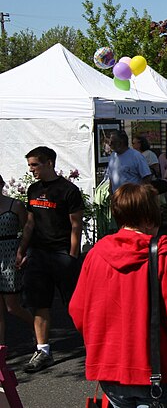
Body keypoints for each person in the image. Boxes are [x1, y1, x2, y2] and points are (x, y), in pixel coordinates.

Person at [69, 184, 167, 407]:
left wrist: (104, 342)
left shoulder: (96, 254)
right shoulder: (163, 255)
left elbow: (78, 311)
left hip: (111, 371)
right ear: (151, 215)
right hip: (160, 371)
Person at [15, 146, 83, 373]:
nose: (31, 169)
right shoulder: (33, 190)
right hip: (38, 255)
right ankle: (43, 350)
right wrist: (22, 250)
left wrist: (72, 256)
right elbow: (30, 223)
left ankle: (94, 344)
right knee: (38, 304)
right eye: (30, 165)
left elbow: (76, 225)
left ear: (49, 163)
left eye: (35, 164)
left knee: (75, 303)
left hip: (62, 254)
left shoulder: (68, 191)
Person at [0, 174, 34, 344]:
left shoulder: (15, 205)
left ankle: (38, 329)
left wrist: (23, 251)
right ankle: (1, 351)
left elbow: (27, 228)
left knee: (12, 306)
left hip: (10, 254)